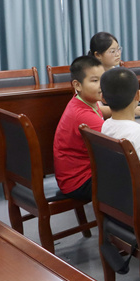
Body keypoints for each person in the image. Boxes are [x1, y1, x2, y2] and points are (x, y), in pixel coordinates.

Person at [88, 31, 140, 132]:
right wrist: (129, 110)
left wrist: (132, 109)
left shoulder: (114, 71)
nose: (118, 54)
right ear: (98, 55)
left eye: (118, 49)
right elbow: (97, 109)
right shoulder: (90, 78)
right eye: (112, 51)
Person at [53, 56, 105, 202]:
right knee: (137, 175)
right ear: (77, 85)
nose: (101, 85)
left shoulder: (81, 100)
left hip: (75, 175)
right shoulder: (82, 115)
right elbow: (120, 142)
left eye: (103, 79)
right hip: (79, 182)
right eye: (95, 81)